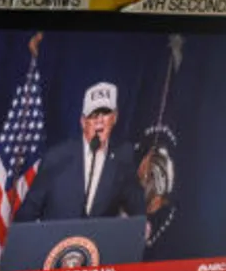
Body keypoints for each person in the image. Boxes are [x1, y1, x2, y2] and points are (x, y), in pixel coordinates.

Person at [15, 81, 147, 222]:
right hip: (57, 241)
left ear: (115, 117)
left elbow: (136, 205)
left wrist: (143, 224)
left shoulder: (123, 157)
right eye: (93, 115)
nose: (99, 121)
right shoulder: (56, 157)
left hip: (98, 243)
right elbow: (28, 211)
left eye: (106, 113)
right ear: (83, 122)